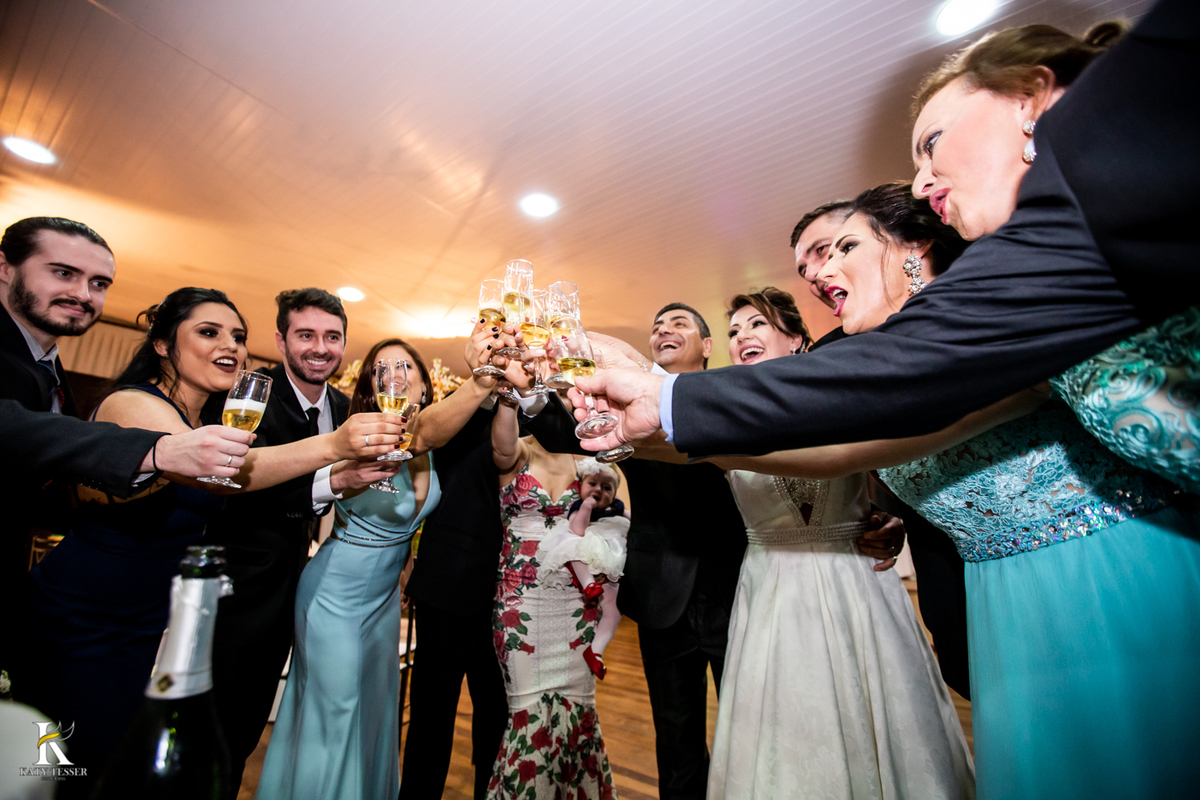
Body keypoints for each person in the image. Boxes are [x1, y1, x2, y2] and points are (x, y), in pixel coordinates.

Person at [569, 0, 1200, 460]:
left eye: (932, 144)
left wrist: (667, 396)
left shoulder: (1126, 111)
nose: (922, 184)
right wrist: (662, 399)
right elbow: (890, 385)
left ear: (1030, 97)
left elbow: (903, 366)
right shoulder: (1063, 254)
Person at [24, 287, 401, 794]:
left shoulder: (211, 416)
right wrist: (334, 449)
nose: (231, 346)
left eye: (237, 337)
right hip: (91, 612)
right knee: (58, 769)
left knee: (126, 767)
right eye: (209, 332)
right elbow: (223, 471)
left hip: (157, 615)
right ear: (161, 343)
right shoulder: (134, 403)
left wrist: (338, 480)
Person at [700, 287, 973, 799]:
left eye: (756, 324)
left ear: (797, 340)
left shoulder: (843, 404)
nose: (742, 338)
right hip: (773, 595)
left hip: (857, 584)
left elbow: (896, 472)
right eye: (734, 332)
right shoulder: (719, 415)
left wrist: (895, 521)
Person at [258, 330, 525, 800]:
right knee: (334, 712)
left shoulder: (440, 442)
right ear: (369, 387)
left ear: (425, 382)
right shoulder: (367, 432)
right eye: (381, 370)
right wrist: (483, 378)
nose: (394, 376)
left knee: (373, 715)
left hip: (382, 604)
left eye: (405, 367)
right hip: (335, 594)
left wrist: (407, 565)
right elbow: (417, 434)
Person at [207, 287, 358, 785]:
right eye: (306, 335)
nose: (320, 347)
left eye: (332, 336)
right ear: (281, 339)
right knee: (221, 733)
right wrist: (333, 482)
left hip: (309, 588)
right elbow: (236, 482)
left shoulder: (345, 406)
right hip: (240, 590)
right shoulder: (246, 395)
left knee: (256, 729)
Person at [0, 216, 117, 699]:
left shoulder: (49, 369)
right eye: (63, 273)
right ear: (5, 269)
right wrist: (155, 449)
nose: (84, 295)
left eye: (98, 283)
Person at [486, 400, 618, 800]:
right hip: (521, 604)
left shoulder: (599, 462)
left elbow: (620, 531)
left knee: (578, 715)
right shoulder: (520, 449)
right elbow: (502, 448)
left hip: (579, 608)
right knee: (527, 716)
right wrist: (509, 390)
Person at [544, 457, 629, 669]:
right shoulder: (579, 505)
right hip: (585, 557)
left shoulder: (617, 507)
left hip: (609, 566)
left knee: (614, 611)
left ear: (615, 493)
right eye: (592, 484)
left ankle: (596, 652)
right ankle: (588, 583)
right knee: (573, 544)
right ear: (581, 486)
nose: (598, 490)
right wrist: (587, 508)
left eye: (607, 487)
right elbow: (577, 530)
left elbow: (634, 523)